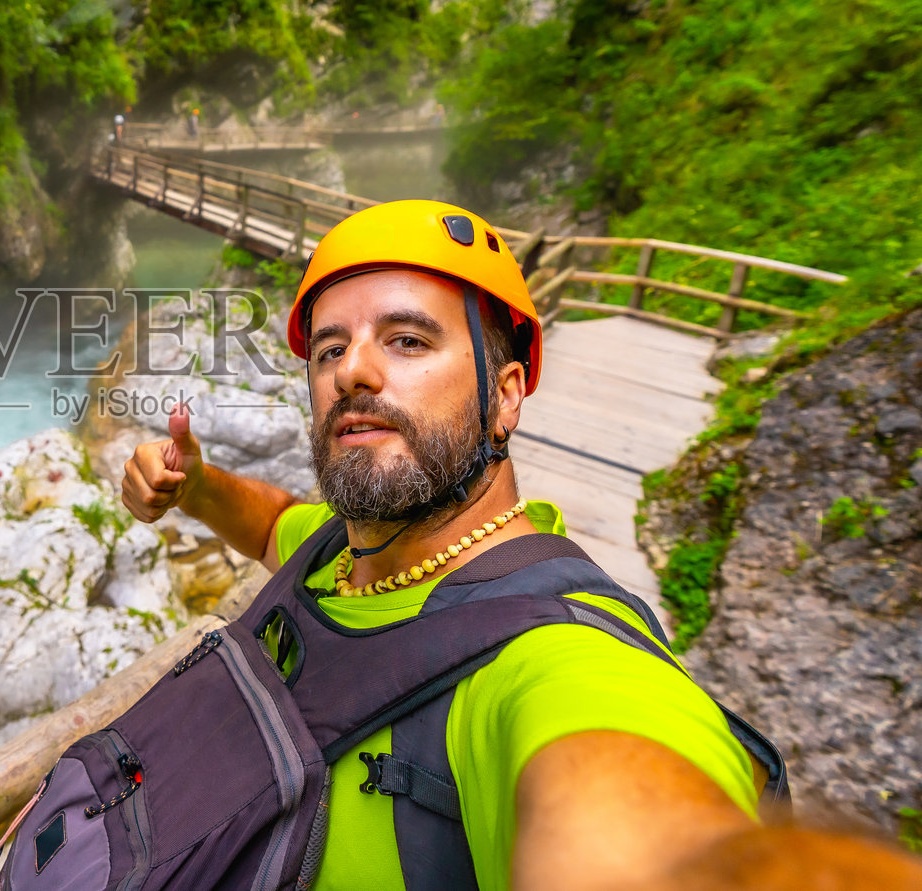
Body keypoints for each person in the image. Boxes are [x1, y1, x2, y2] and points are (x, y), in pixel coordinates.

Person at [120, 199, 922, 891]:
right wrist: (195, 485)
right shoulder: (343, 553)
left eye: (405, 340)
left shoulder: (558, 663)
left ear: (507, 396)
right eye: (329, 349)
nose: (352, 369)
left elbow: (645, 827)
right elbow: (273, 525)